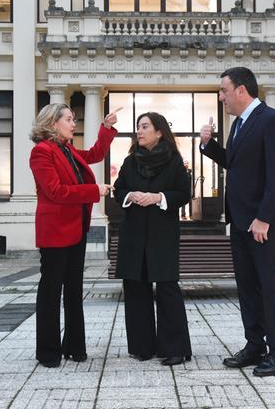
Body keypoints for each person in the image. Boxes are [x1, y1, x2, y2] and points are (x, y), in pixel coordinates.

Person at [200, 67, 275, 377]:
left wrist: (263, 218)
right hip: (240, 221)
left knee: (269, 286)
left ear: (241, 90)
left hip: (264, 221)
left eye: (224, 90)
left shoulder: (271, 121)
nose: (221, 96)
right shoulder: (239, 124)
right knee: (247, 287)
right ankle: (255, 346)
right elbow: (236, 165)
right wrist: (208, 145)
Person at [29, 103, 117, 367]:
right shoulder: (41, 152)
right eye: (69, 119)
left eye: (73, 118)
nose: (73, 123)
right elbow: (55, 191)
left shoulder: (66, 150)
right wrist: (94, 191)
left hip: (76, 228)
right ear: (53, 123)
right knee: (51, 291)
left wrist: (107, 128)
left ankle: (75, 347)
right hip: (55, 231)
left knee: (74, 290)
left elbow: (95, 154)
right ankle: (48, 352)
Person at [114, 112, 192, 366]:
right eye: (138, 126)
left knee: (167, 288)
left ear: (159, 131)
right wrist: (130, 196)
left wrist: (159, 197)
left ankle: (175, 349)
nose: (139, 131)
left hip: (162, 233)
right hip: (133, 233)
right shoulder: (129, 161)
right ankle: (142, 347)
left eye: (145, 126)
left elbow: (183, 193)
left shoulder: (174, 161)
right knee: (136, 288)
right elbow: (119, 190)